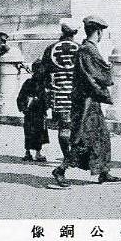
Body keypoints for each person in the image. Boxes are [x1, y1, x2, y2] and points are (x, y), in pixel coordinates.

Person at [51, 16, 121, 187]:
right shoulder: (88, 50)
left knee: (101, 136)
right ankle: (60, 169)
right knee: (83, 138)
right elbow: (99, 74)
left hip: (89, 100)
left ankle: (103, 172)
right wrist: (108, 73)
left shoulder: (86, 49)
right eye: (101, 31)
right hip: (86, 102)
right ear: (98, 31)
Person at [40, 18, 80, 160]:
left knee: (63, 127)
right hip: (77, 94)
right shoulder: (80, 48)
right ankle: (74, 155)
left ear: (62, 31)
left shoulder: (51, 49)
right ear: (75, 32)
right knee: (77, 125)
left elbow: (42, 72)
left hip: (58, 94)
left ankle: (66, 156)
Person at [17, 60, 50, 162]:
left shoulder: (28, 82)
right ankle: (37, 153)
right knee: (38, 132)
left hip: (31, 112)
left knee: (29, 132)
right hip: (37, 111)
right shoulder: (43, 84)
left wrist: (23, 108)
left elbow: (20, 97)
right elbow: (46, 98)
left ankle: (28, 153)